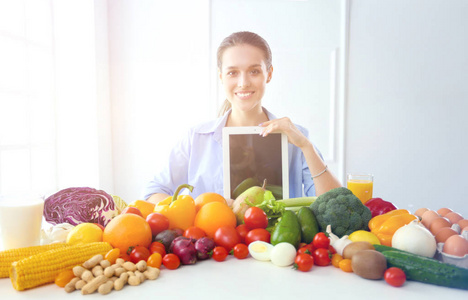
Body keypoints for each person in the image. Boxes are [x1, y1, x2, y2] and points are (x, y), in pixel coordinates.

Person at [143, 31, 342, 204]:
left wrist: (306, 147)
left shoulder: (295, 137)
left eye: (254, 71)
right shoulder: (196, 138)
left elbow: (334, 205)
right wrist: (206, 206)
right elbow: (153, 194)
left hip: (279, 246)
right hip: (212, 244)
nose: (243, 82)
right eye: (233, 73)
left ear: (269, 74)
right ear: (221, 76)